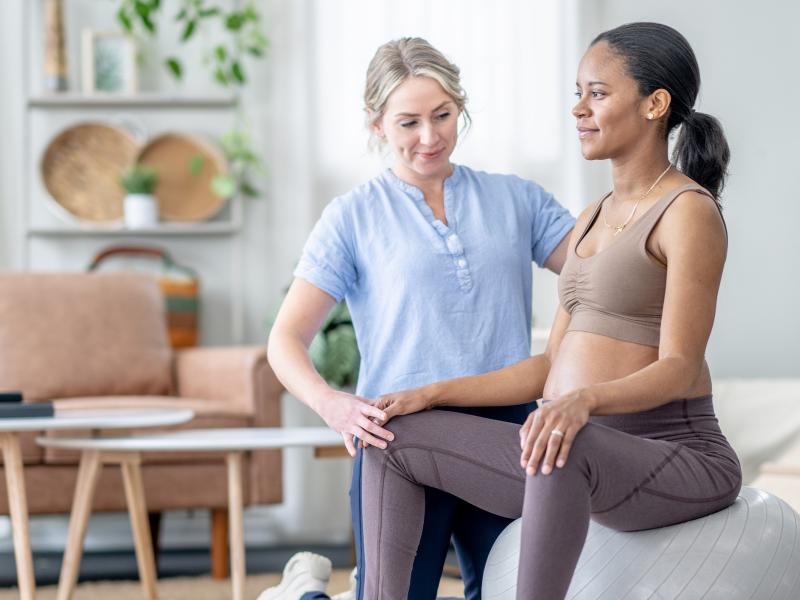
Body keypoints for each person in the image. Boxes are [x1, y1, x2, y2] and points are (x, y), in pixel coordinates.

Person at [358, 22, 741, 600]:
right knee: (392, 437)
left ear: (654, 104)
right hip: (568, 454)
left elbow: (681, 367)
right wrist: (429, 394)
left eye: (597, 93)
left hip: (671, 454)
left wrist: (581, 402)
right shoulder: (589, 217)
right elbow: (547, 367)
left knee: (567, 443)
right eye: (578, 93)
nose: (579, 109)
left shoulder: (687, 210)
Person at [264, 38, 575, 600]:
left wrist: (557, 363)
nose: (429, 137)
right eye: (408, 122)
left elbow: (598, 276)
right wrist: (333, 405)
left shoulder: (517, 200)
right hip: (399, 439)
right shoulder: (351, 218)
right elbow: (285, 339)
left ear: (461, 107)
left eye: (443, 115)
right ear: (377, 124)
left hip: (506, 431)